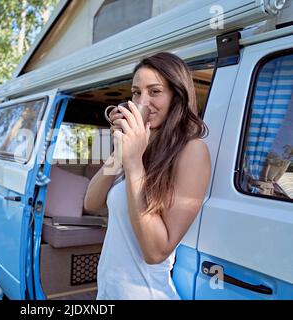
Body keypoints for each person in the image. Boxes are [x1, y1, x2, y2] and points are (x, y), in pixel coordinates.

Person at [83, 52, 212, 300]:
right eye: (136, 92)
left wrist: (133, 164)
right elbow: (91, 202)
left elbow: (156, 252)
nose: (142, 102)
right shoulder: (137, 148)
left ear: (177, 95)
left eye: (155, 92)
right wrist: (120, 153)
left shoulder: (192, 151)